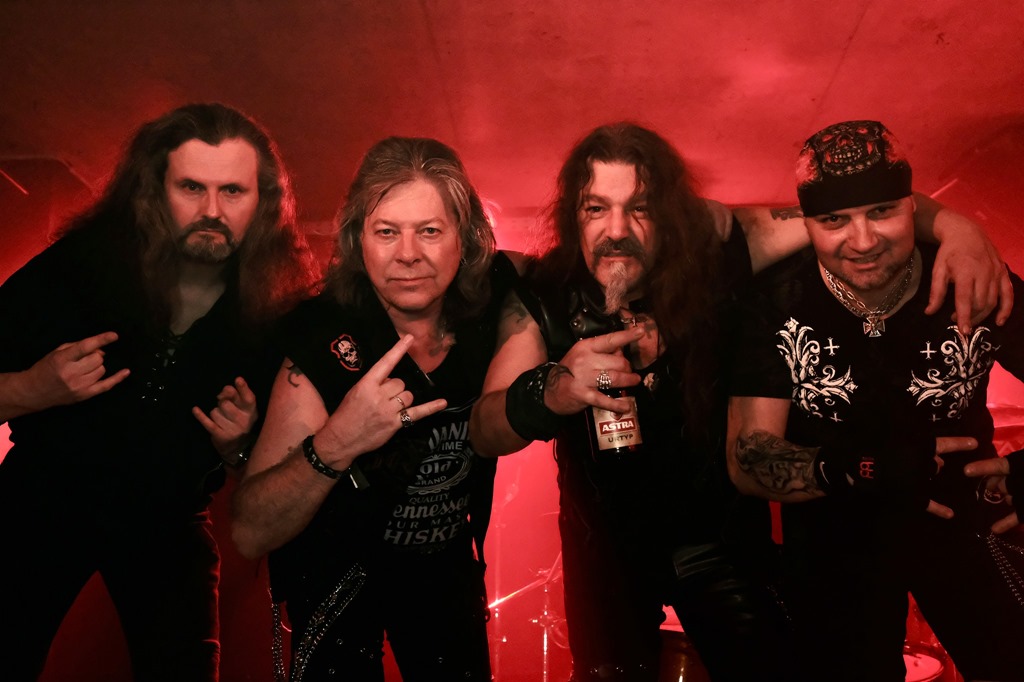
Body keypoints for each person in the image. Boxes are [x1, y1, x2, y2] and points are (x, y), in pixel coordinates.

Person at [467, 122, 1012, 681]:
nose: (618, 230)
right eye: (595, 208)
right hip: (605, 551)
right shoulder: (543, 296)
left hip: (721, 542)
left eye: (641, 208)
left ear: (671, 213)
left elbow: (843, 208)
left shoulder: (722, 254)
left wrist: (957, 228)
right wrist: (553, 388)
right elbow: (484, 430)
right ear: (572, 214)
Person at [0, 103, 318, 681]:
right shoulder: (81, 266)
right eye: (192, 187)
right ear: (154, 190)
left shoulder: (275, 313)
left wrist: (238, 447)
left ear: (263, 202)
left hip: (169, 520)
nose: (212, 210)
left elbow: (276, 478)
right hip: (40, 499)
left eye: (233, 191)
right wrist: (28, 388)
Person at [726, 120, 1024, 682]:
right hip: (835, 541)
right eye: (834, 220)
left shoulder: (972, 277)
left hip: (968, 522)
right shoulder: (775, 303)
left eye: (882, 211)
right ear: (805, 225)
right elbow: (749, 457)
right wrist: (864, 469)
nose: (862, 242)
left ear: (913, 206)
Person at [231, 137, 520, 681]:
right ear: (357, 240)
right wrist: (338, 439)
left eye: (429, 231)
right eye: (386, 232)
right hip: (337, 584)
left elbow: (549, 274)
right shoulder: (319, 338)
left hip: (445, 576)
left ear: (465, 239)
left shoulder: (490, 312)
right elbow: (249, 531)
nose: (407, 254)